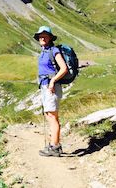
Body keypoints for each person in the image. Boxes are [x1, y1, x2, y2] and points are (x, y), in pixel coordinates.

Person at [34, 25, 68, 157]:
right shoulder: (44, 51)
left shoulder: (54, 50)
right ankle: (54, 144)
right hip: (45, 86)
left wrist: (53, 81)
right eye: (40, 36)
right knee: (49, 115)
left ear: (50, 38)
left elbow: (63, 68)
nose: (42, 38)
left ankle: (55, 146)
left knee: (52, 117)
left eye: (44, 35)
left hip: (51, 87)